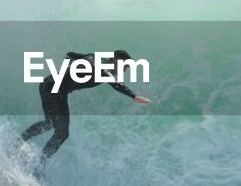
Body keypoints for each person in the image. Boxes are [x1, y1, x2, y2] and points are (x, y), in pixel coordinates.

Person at [18, 49, 150, 174]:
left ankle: (19, 142)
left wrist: (70, 59)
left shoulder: (95, 58)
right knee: (62, 133)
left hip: (48, 84)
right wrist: (134, 96)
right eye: (125, 66)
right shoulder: (105, 69)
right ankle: (39, 166)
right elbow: (114, 82)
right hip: (55, 90)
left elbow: (73, 54)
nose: (125, 70)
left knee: (50, 123)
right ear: (116, 60)